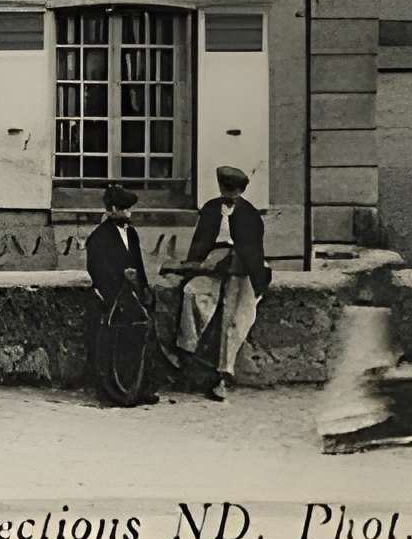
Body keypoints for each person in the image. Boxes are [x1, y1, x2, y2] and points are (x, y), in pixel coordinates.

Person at [316, 248, 412, 455]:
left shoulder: (382, 310)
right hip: (381, 362)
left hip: (385, 366)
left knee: (384, 392)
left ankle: (398, 425)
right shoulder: (376, 310)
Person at [175, 165, 272, 401]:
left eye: (234, 191)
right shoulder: (210, 209)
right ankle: (187, 348)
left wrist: (250, 274)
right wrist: (194, 266)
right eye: (226, 190)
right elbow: (200, 244)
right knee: (192, 293)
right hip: (213, 263)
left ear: (240, 191)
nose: (229, 195)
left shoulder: (250, 215)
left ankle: (223, 374)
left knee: (236, 316)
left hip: (242, 269)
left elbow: (253, 252)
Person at [83, 184, 162, 408]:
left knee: (141, 340)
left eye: (130, 210)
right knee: (115, 344)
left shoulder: (132, 233)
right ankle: (116, 393)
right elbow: (96, 268)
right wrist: (120, 277)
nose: (129, 214)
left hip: (133, 295)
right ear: (113, 209)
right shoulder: (99, 237)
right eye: (125, 209)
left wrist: (143, 288)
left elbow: (139, 264)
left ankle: (140, 389)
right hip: (113, 297)